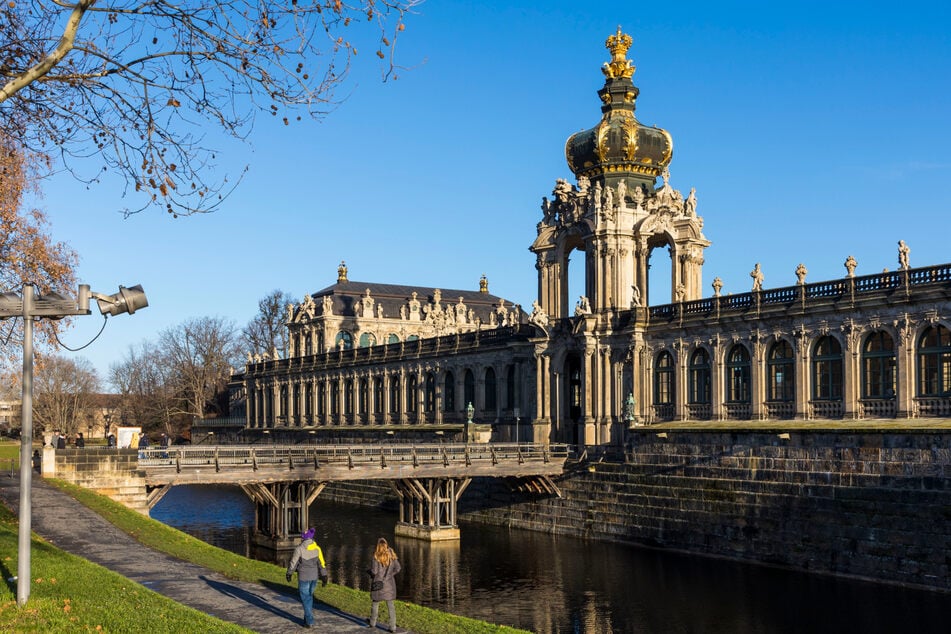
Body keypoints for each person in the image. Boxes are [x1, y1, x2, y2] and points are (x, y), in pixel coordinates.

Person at [286, 527, 327, 629]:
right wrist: (324, 576)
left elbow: (293, 563)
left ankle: (309, 621)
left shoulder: (299, 549)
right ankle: (306, 619)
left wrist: (289, 573)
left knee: (305, 598)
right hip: (314, 577)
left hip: (303, 577)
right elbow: (322, 563)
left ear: (303, 538)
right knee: (309, 598)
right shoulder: (317, 549)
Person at [367, 537, 401, 633]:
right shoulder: (392, 555)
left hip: (378, 584)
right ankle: (392, 627)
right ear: (386, 545)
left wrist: (369, 572)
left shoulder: (376, 557)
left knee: (375, 604)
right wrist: (390, 575)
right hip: (389, 584)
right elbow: (398, 568)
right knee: (390, 606)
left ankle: (372, 623)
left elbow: (374, 571)